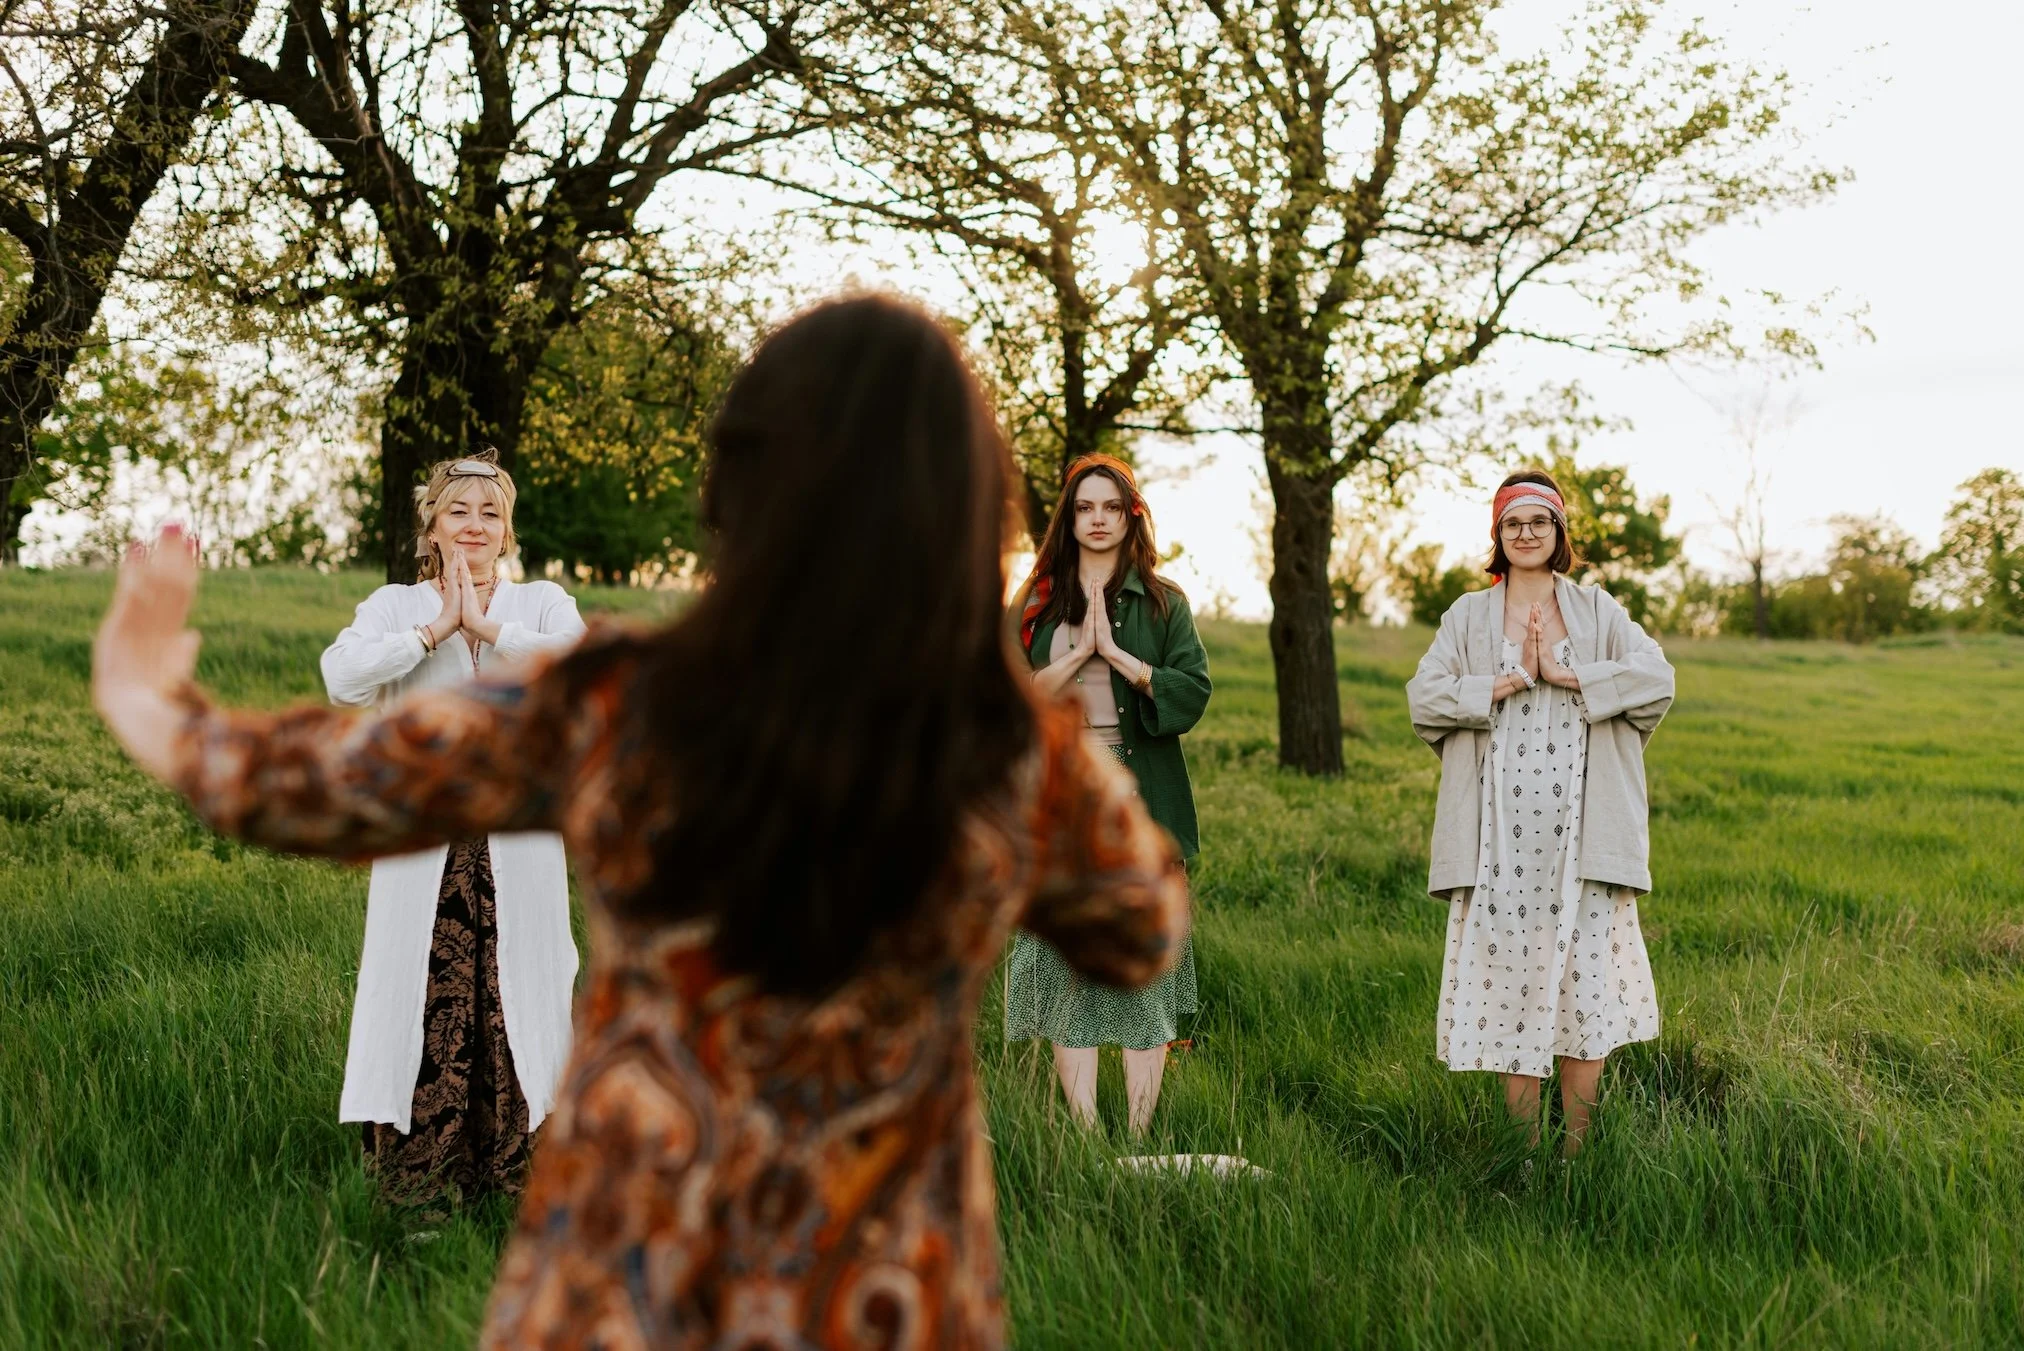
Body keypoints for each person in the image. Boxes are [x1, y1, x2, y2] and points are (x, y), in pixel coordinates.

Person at [91, 295, 1189, 1348]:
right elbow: (1140, 931)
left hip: (619, 1288)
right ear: (966, 506)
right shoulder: (1003, 752)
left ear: (735, 483)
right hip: (887, 1293)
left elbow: (304, 785)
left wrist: (145, 689)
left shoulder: (623, 699)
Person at [316, 449, 586, 1208]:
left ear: (507, 528)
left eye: (490, 512)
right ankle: (422, 1184)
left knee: (518, 992)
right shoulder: (396, 607)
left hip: (519, 844)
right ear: (432, 520)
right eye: (459, 510)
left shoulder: (540, 603)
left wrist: (489, 628)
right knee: (428, 997)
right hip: (426, 848)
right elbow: (341, 677)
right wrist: (434, 632)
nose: (475, 524)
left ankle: (515, 1179)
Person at [1405, 469, 1674, 1156]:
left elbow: (1658, 677)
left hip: (1583, 830)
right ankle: (1521, 1153)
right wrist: (1498, 683)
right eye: (1513, 523)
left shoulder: (1596, 611)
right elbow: (1423, 696)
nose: (1526, 533)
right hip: (1498, 835)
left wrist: (1570, 676)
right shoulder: (1467, 616)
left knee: (1584, 979)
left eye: (1539, 522)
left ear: (1558, 533)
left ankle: (1577, 1151)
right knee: (1509, 980)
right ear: (1498, 535)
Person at [1004, 454, 1212, 1135]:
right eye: (1085, 507)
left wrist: (1122, 658)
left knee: (1140, 956)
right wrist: (1075, 653)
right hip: (1060, 793)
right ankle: (1088, 1132)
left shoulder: (1163, 601)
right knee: (1068, 959)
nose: (1097, 519)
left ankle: (1142, 1132)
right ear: (1070, 518)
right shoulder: (1037, 598)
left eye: (1110, 508)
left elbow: (1193, 689)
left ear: (1131, 518)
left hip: (1139, 793)